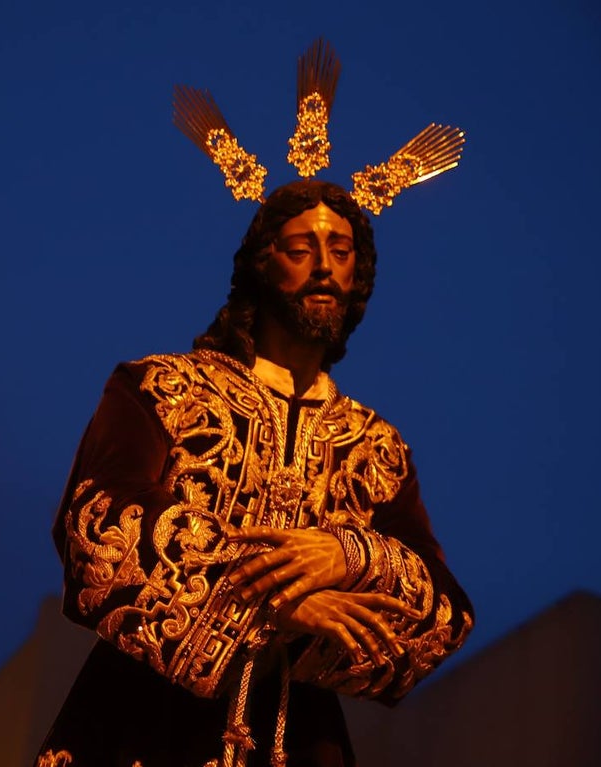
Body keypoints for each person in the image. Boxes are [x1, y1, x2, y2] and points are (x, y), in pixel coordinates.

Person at [35, 179, 474, 767]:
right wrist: (271, 600)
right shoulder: (162, 389)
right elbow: (99, 519)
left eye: (341, 252)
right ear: (262, 265)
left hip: (298, 732)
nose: (324, 267)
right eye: (301, 249)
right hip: (143, 724)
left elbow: (443, 612)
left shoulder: (375, 448)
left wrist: (351, 556)